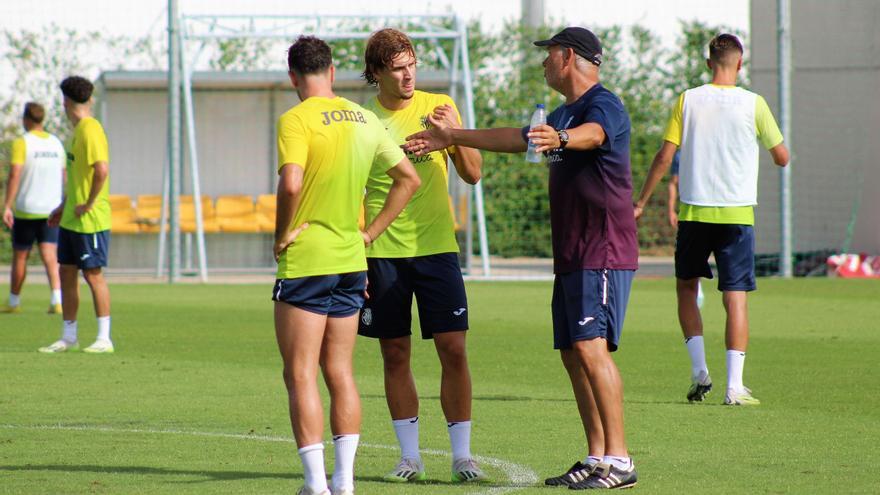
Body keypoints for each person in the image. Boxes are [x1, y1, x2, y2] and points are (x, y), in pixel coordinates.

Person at [405, 27, 639, 490]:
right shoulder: (560, 111)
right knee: (573, 354)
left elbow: (594, 136)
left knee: (592, 350)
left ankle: (621, 460)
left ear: (569, 56)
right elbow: (516, 138)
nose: (543, 62)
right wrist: (450, 136)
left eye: (549, 54)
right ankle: (597, 457)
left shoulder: (600, 103)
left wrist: (565, 138)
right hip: (573, 253)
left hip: (602, 249)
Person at [272, 35, 420, 495]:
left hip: (308, 261)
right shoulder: (365, 118)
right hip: (353, 262)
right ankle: (345, 482)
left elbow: (291, 183)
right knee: (340, 372)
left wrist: (281, 234)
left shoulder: (295, 119)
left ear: (294, 77)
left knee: (299, 373)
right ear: (333, 72)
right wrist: (370, 233)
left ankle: (316, 485)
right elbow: (408, 179)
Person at [356, 28, 486, 484]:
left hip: (437, 251)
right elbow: (356, 192)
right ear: (376, 73)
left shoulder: (438, 105)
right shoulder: (363, 120)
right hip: (382, 254)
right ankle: (409, 458)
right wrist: (358, 255)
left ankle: (463, 457)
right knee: (395, 353)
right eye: (397, 67)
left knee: (453, 349)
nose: (408, 75)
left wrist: (453, 134)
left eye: (412, 64)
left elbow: (472, 175)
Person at [633, 34, 789, 405]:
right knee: (735, 297)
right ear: (740, 63)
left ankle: (699, 371)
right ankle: (735, 387)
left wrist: (641, 201)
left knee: (687, 288)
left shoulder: (688, 99)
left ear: (708, 64)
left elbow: (663, 156)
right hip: (737, 214)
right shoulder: (755, 103)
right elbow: (781, 157)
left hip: (694, 211)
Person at [39, 76, 115, 354]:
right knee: (66, 272)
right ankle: (68, 336)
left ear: (65, 102)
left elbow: (101, 170)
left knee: (93, 274)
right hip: (72, 218)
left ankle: (104, 338)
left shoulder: (90, 130)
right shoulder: (76, 132)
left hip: (90, 220)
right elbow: (79, 177)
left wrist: (89, 203)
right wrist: (64, 206)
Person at [2, 102, 65, 314]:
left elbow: (15, 174)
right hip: (52, 207)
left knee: (21, 255)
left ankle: (13, 302)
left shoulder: (23, 142)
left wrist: (7, 205)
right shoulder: (56, 143)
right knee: (50, 254)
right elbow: (64, 175)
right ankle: (57, 300)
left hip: (27, 207)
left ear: (26, 119)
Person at [667, 150, 704, 309]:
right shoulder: (681, 153)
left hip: (709, 210)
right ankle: (697, 287)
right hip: (690, 212)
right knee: (693, 255)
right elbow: (674, 181)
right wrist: (671, 209)